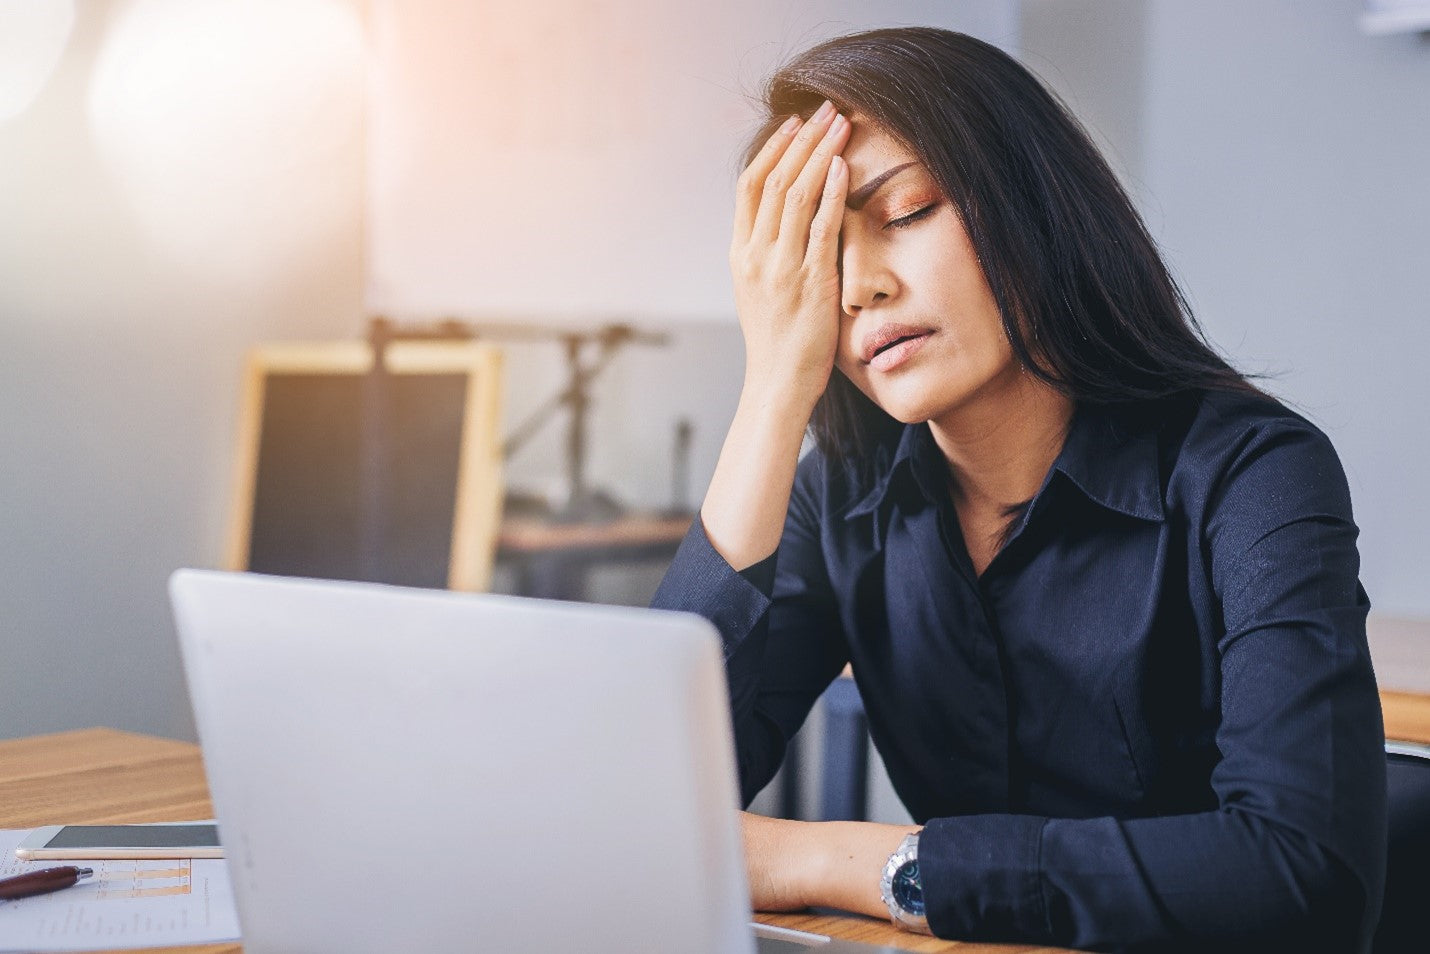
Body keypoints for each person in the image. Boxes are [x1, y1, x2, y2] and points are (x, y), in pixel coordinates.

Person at [651, 26, 1386, 953]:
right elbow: (650, 799)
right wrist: (771, 390)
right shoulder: (841, 496)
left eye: (906, 212)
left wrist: (843, 861)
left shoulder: (1253, 472)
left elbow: (1304, 874)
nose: (858, 287)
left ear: (1030, 203)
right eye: (820, 255)